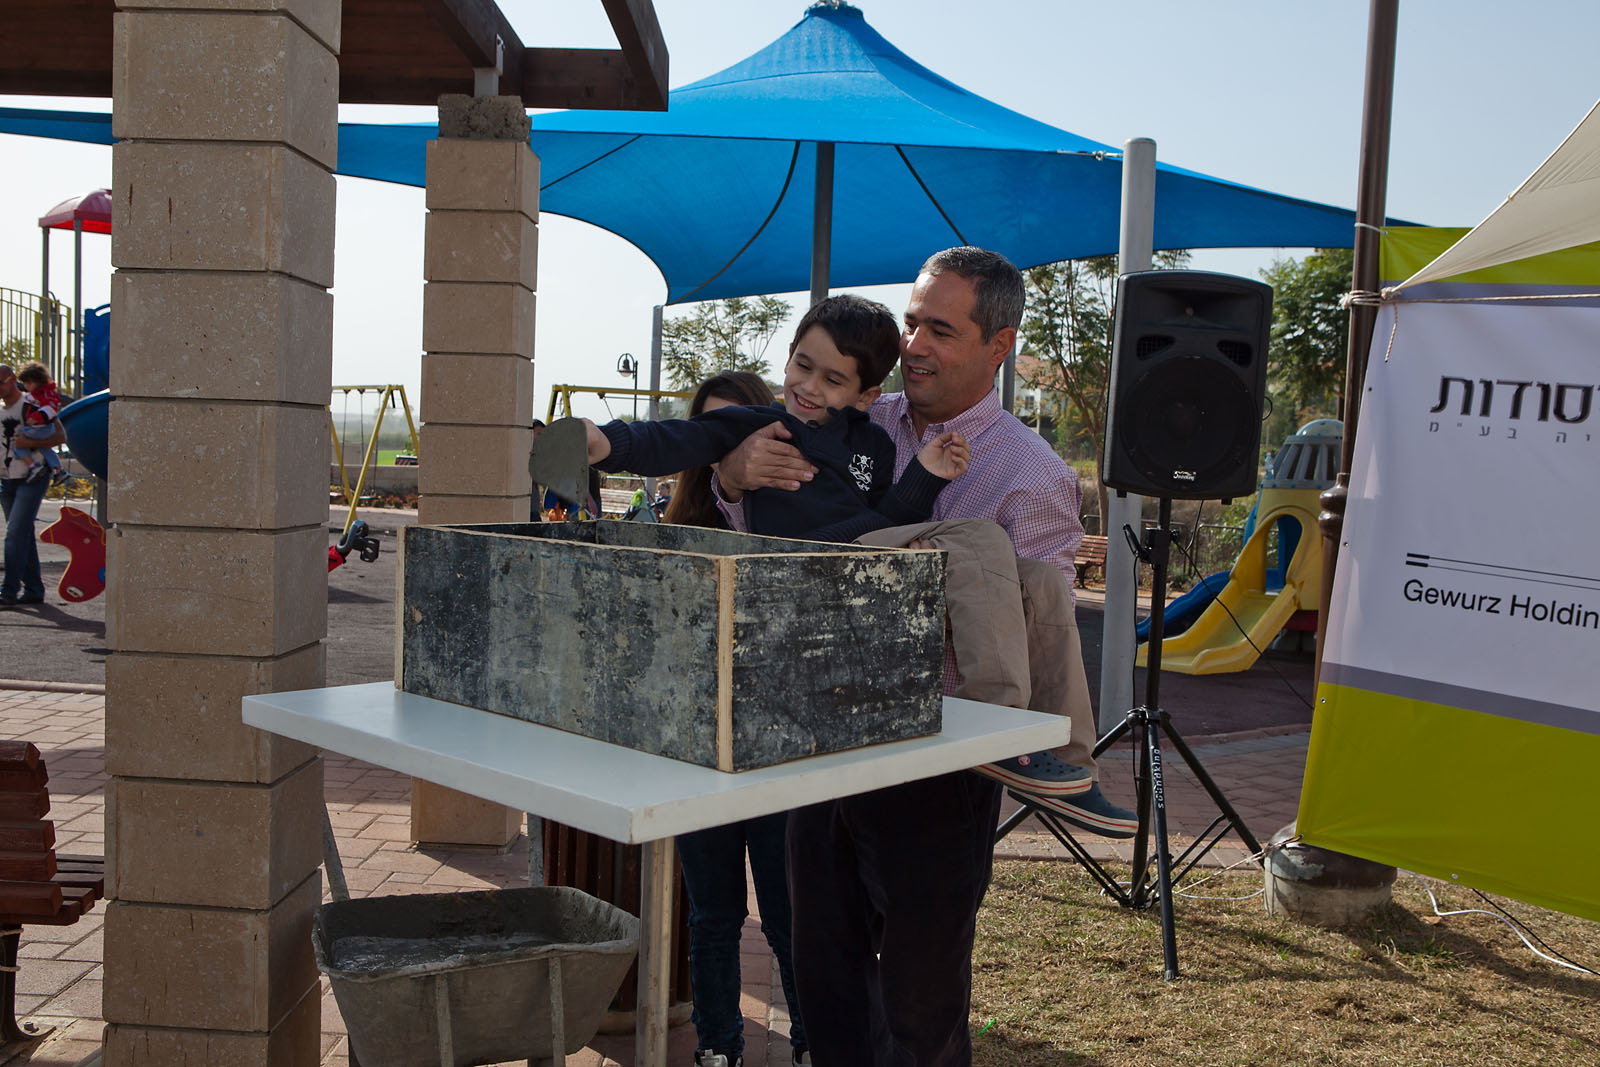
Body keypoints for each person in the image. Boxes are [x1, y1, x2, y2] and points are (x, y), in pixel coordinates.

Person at [715, 248, 1136, 1066]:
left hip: (940, 767)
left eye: (940, 329)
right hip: (826, 740)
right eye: (911, 323)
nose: (913, 345)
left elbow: (1033, 625)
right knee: (824, 976)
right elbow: (768, 544)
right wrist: (734, 478)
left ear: (999, 345)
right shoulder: (849, 417)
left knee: (920, 1001)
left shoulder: (1033, 474)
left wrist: (916, 593)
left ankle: (1069, 766)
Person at [635, 371, 808, 1067]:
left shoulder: (795, 511)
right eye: (710, 431)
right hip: (699, 753)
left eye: (738, 426)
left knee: (790, 915)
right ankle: (718, 1048)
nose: (725, 444)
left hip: (777, 754)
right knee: (713, 916)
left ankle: (814, 1040)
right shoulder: (678, 523)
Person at [0, 363, 66, 607]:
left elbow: (61, 436)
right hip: (7, 478)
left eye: (1, 383)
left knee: (15, 533)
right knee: (23, 534)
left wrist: (29, 442)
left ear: (12, 380)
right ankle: (34, 589)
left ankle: (8, 590)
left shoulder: (34, 403)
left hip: (33, 476)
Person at [13, 362, 66, 486]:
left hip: (41, 427)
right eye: (25, 383)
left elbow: (50, 408)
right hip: (42, 428)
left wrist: (36, 418)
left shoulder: (44, 394)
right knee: (45, 448)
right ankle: (58, 470)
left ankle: (34, 466)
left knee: (18, 443)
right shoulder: (39, 393)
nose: (26, 386)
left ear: (39, 381)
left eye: (29, 383)